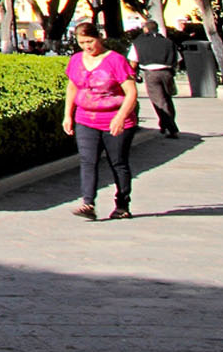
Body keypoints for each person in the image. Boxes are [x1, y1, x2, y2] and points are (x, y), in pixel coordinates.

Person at [64, 22, 140, 220]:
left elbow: (131, 93)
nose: (87, 46)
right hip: (85, 119)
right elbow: (72, 87)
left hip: (114, 119)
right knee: (88, 161)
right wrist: (67, 115)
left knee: (118, 163)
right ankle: (88, 203)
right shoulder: (76, 60)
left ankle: (122, 205)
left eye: (90, 41)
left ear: (99, 38)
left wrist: (120, 117)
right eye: (82, 43)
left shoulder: (116, 60)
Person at [128, 18, 182, 138]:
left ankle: (171, 128)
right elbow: (178, 59)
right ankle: (164, 124)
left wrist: (132, 74)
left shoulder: (138, 43)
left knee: (159, 101)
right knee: (167, 99)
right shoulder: (168, 42)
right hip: (167, 72)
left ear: (145, 29)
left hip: (151, 74)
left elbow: (133, 61)